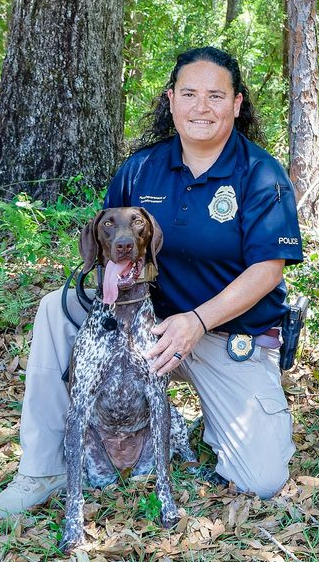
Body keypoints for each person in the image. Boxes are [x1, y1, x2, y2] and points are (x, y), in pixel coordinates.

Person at [0, 46, 303, 516]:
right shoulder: (141, 169)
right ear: (171, 100)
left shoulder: (262, 174)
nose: (201, 107)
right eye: (189, 94)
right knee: (52, 311)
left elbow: (268, 269)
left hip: (224, 336)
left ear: (237, 104)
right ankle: (41, 469)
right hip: (137, 324)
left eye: (215, 95)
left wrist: (196, 323)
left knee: (260, 479)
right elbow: (107, 240)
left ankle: (199, 421)